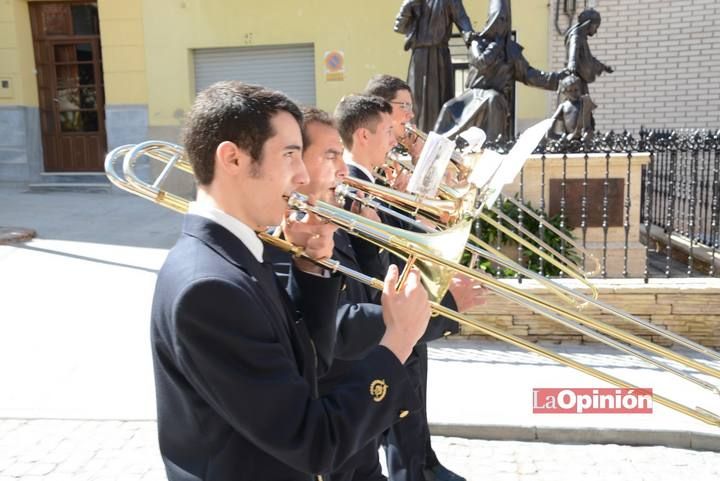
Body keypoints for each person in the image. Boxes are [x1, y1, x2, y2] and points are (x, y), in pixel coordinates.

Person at [150, 80, 433, 481]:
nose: (302, 176)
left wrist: (312, 271)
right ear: (231, 159)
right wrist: (397, 341)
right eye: (289, 155)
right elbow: (313, 442)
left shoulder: (240, 253)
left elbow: (306, 371)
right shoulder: (209, 287)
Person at [336, 94, 486, 481]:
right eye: (388, 130)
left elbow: (405, 240)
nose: (395, 139)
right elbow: (371, 275)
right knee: (399, 425)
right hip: (385, 326)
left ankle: (423, 468)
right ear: (363, 136)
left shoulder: (375, 183)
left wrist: (413, 204)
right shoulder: (352, 190)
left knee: (409, 418)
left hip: (405, 314)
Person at [434, 0, 564, 140]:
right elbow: (481, 63)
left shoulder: (511, 51)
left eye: (502, 19)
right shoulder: (477, 43)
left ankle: (493, 143)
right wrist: (496, 46)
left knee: (493, 99)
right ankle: (434, 145)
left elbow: (530, 75)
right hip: (473, 96)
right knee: (449, 107)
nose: (498, 23)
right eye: (495, 18)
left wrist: (559, 79)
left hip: (494, 97)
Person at [393, 0, 473, 133]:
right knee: (416, 97)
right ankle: (414, 135)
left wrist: (471, 40)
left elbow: (462, 19)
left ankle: (439, 136)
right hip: (419, 56)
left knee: (440, 98)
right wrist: (408, 6)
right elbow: (399, 27)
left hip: (439, 55)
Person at [565, 8, 613, 97]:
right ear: (589, 24)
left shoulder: (582, 37)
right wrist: (572, 62)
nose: (596, 31)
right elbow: (574, 47)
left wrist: (604, 67)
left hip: (580, 79)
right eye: (596, 26)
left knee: (586, 106)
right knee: (580, 105)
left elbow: (588, 59)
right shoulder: (576, 35)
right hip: (575, 80)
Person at [550, 74, 596, 140]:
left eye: (576, 90)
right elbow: (552, 120)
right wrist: (553, 135)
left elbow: (590, 123)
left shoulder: (584, 103)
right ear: (565, 92)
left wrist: (588, 132)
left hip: (583, 138)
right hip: (568, 138)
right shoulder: (563, 106)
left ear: (580, 89)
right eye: (570, 90)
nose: (573, 93)